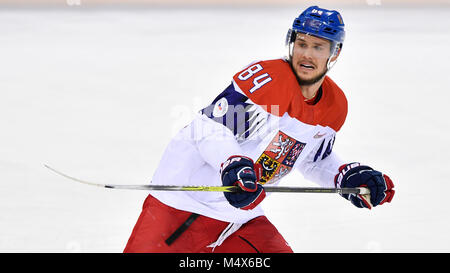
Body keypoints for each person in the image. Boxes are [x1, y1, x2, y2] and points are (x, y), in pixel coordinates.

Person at [123, 6, 395, 253]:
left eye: (318, 47)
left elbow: (311, 158)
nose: (307, 54)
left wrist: (343, 176)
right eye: (301, 43)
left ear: (334, 52)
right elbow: (209, 129)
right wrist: (233, 164)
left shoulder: (335, 105)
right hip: (181, 208)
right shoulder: (269, 81)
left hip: (239, 219)